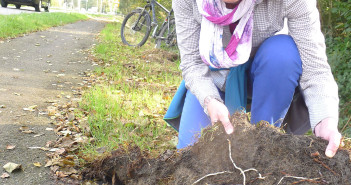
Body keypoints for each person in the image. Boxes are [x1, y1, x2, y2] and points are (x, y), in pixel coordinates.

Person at [164, 0, 342, 158]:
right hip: (214, 79)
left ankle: (265, 141)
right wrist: (209, 100)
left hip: (269, 77)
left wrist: (325, 120)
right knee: (193, 158)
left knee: (282, 53)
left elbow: (315, 69)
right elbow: (192, 63)